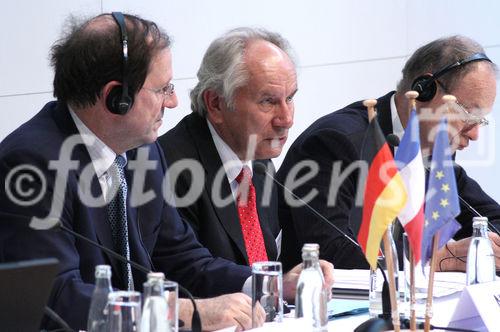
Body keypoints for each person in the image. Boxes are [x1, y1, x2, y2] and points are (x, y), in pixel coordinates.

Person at [0, 13, 333, 331]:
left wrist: (264, 285)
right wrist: (181, 311)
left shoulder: (141, 149)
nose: (173, 101)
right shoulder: (31, 164)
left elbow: (181, 258)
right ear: (116, 98)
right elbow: (54, 298)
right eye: (163, 89)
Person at [277, 35, 500, 272]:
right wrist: (437, 258)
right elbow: (332, 252)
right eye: (467, 115)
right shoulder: (336, 142)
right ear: (424, 90)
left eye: (480, 120)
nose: (475, 134)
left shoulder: (434, 150)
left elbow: (488, 218)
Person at [158, 27, 296, 267]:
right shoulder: (170, 167)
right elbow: (188, 275)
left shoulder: (260, 163)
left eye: (290, 98)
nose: (286, 119)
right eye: (268, 101)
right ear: (215, 104)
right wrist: (270, 286)